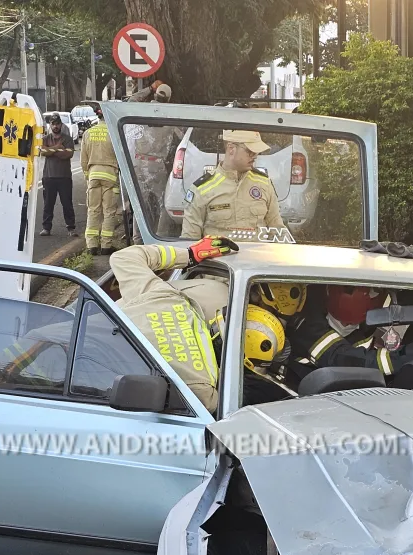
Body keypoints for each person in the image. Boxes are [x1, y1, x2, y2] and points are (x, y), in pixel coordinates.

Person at [110, 237, 239, 413]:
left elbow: (124, 257)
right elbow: (221, 410)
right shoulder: (201, 387)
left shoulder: (159, 295)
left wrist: (189, 255)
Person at [181, 130, 284, 240]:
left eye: (257, 152)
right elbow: (189, 240)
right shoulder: (201, 189)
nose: (255, 156)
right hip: (218, 257)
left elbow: (278, 232)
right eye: (251, 152)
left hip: (256, 256)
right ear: (231, 149)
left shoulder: (264, 184)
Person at [80, 107, 120, 255]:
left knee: (93, 210)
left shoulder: (87, 133)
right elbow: (119, 157)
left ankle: (91, 246)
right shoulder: (113, 134)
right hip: (110, 175)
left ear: (97, 117)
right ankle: (106, 246)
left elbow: (83, 160)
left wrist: (87, 176)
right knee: (109, 212)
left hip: (93, 175)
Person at [40, 113, 77, 237]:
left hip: (64, 177)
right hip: (49, 177)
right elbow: (43, 152)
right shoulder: (45, 138)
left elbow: (68, 154)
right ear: (50, 125)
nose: (55, 126)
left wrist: (51, 150)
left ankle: (71, 227)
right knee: (48, 204)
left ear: (61, 124)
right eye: (53, 124)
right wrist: (57, 148)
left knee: (67, 203)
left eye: (57, 124)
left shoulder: (68, 139)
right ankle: (46, 228)